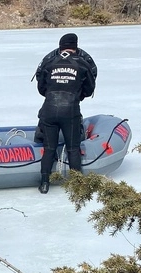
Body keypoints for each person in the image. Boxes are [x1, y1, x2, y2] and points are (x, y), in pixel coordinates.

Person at [34, 32, 96, 194]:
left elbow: (41, 88)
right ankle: (77, 185)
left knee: (49, 148)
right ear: (76, 46)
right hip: (70, 111)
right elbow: (89, 90)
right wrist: (76, 94)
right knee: (73, 148)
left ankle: (44, 183)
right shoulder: (82, 64)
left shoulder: (49, 63)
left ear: (60, 46)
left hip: (48, 110)